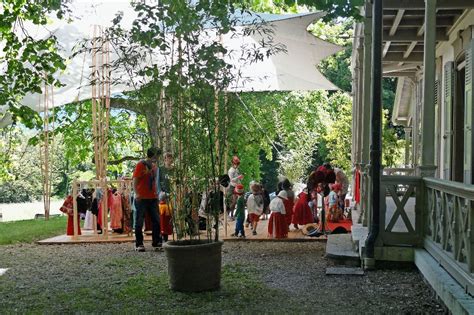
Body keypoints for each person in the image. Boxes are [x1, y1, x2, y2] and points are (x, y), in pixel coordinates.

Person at [133, 147, 162, 252]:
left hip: (153, 197)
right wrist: (137, 193)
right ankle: (139, 243)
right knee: (139, 221)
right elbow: (135, 180)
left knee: (156, 220)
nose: (158, 158)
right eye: (157, 155)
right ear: (153, 155)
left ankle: (156, 242)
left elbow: (155, 181)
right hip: (142, 197)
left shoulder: (154, 166)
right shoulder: (141, 164)